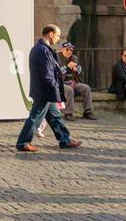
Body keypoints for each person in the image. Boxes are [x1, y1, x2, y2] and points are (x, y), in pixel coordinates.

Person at [15, 25, 82, 153]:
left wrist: (65, 70)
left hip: (45, 89)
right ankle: (23, 142)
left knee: (55, 116)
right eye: (57, 35)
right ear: (50, 34)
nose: (58, 39)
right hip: (44, 90)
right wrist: (54, 87)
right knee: (36, 116)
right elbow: (47, 74)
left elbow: (52, 70)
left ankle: (65, 140)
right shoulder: (42, 50)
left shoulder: (42, 48)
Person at [58, 41, 96, 120]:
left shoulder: (74, 58)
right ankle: (68, 113)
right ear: (61, 50)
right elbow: (56, 73)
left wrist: (77, 69)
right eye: (67, 50)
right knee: (69, 90)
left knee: (86, 88)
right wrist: (67, 67)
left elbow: (81, 72)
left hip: (72, 82)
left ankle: (88, 111)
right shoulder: (57, 58)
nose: (69, 52)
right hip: (60, 83)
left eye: (71, 50)